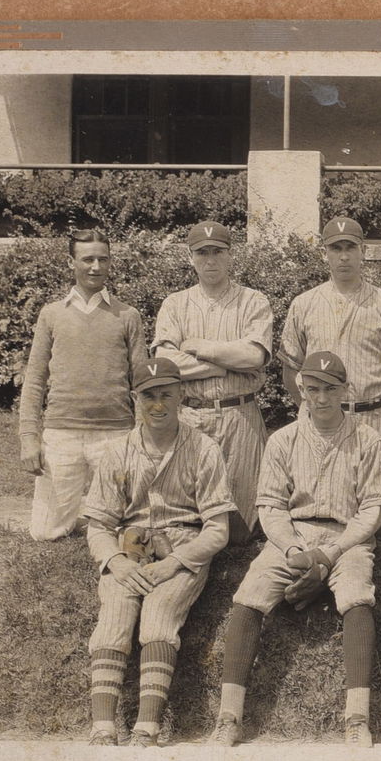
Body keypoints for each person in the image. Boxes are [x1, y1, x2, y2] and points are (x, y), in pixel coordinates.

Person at [213, 351, 381, 749]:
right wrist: (294, 550)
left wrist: (330, 555)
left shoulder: (367, 438)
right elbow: (270, 505)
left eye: (330, 389)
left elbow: (372, 509)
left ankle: (357, 716)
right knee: (249, 595)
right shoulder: (283, 439)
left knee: (358, 595)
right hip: (291, 533)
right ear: (300, 390)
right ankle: (229, 715)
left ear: (346, 390)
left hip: (348, 538)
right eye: (313, 389)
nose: (322, 398)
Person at [80, 357, 235, 748]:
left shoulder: (203, 449)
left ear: (182, 394)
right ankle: (103, 727)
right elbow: (99, 525)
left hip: (184, 545)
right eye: (149, 396)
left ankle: (147, 727)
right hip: (130, 548)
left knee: (158, 617)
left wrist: (174, 564)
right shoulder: (118, 451)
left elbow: (218, 529)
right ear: (136, 398)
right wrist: (114, 560)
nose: (159, 404)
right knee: (114, 617)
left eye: (167, 393)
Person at [279, 216, 381, 530]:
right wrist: (312, 406)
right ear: (325, 253)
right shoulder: (304, 304)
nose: (343, 255)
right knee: (320, 505)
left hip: (372, 413)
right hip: (320, 415)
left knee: (378, 517)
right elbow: (290, 367)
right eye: (335, 248)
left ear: (363, 250)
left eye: (350, 247)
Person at [17, 228, 148, 541]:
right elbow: (34, 380)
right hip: (62, 433)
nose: (96, 267)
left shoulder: (128, 315)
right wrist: (28, 438)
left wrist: (143, 437)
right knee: (46, 532)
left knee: (128, 531)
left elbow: (143, 381)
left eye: (103, 259)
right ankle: (88, 516)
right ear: (70, 262)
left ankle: (105, 516)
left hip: (115, 434)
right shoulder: (51, 315)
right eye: (87, 259)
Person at [152, 221, 272, 541]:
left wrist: (203, 348)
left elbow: (253, 358)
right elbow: (165, 365)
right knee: (189, 509)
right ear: (190, 257)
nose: (210, 259)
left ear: (230, 255)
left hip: (239, 415)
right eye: (202, 252)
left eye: (217, 251)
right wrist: (221, 366)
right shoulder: (175, 304)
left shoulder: (253, 301)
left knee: (243, 522)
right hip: (191, 414)